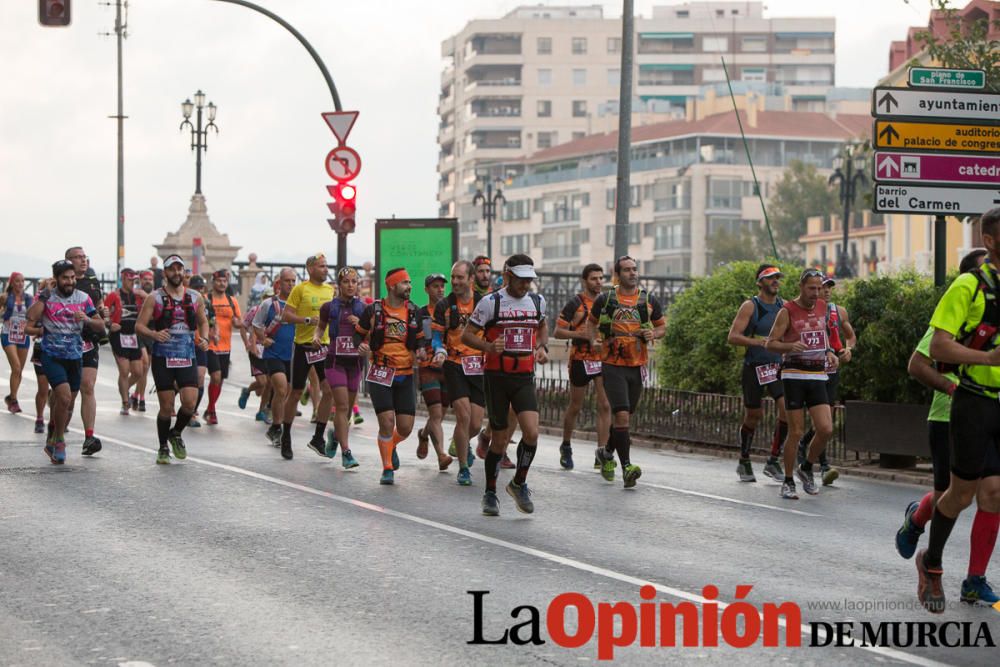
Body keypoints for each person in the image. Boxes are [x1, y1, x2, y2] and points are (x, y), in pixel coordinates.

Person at [897, 248, 998, 607]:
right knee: (954, 495)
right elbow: (924, 359)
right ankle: (928, 551)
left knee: (994, 494)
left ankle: (974, 579)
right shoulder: (965, 292)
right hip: (959, 409)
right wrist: (959, 381)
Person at [461, 254, 548, 515]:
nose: (525, 286)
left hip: (524, 376)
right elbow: (466, 335)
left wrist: (542, 346)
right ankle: (490, 493)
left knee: (531, 432)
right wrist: (488, 346)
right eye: (521, 280)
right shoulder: (491, 303)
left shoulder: (537, 301)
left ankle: (518, 483)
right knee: (499, 440)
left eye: (529, 280)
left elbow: (542, 326)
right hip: (496, 377)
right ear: (508, 275)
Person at [586, 256, 666, 489]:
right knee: (620, 415)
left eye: (634, 269)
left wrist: (654, 334)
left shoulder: (648, 299)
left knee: (625, 417)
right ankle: (627, 467)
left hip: (637, 364)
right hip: (612, 364)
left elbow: (661, 326)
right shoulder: (606, 298)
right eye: (627, 270)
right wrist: (594, 341)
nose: (632, 273)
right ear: (618, 274)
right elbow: (591, 323)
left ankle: (607, 452)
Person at [764, 269, 838, 500]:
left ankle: (806, 467)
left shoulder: (823, 308)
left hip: (817, 374)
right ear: (801, 287)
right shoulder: (787, 311)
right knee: (795, 431)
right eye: (812, 288)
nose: (816, 293)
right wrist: (789, 347)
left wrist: (829, 352)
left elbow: (821, 334)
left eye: (819, 288)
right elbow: (770, 343)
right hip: (794, 375)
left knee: (826, 429)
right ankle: (787, 481)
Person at [26, 260, 105, 464]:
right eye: (65, 278)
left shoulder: (83, 298)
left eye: (72, 278)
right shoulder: (47, 298)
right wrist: (44, 296)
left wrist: (87, 320)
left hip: (74, 357)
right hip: (52, 356)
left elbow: (100, 324)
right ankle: (60, 440)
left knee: (67, 404)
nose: (70, 282)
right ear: (57, 279)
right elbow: (30, 317)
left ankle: (53, 435)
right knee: (63, 397)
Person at [135, 255, 210, 464]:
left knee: (189, 403)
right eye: (172, 269)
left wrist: (204, 338)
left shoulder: (195, 297)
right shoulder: (155, 298)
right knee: (166, 407)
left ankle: (175, 432)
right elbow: (139, 326)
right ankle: (162, 447)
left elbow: (204, 322)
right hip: (163, 358)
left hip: (187, 356)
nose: (176, 273)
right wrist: (154, 335)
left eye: (180, 269)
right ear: (165, 273)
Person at [354, 268, 424, 485]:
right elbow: (358, 335)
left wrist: (421, 350)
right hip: (380, 373)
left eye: (410, 283)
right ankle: (387, 468)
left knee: (405, 428)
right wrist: (362, 346)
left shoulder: (414, 311)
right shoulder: (373, 310)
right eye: (405, 283)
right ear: (392, 286)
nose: (409, 287)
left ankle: (391, 444)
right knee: (386, 421)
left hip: (405, 374)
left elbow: (421, 339)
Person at [726, 265, 789, 483]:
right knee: (754, 415)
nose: (775, 282)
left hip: (777, 368)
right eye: (770, 278)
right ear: (759, 282)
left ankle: (773, 460)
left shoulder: (784, 307)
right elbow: (733, 336)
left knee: (787, 409)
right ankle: (744, 458)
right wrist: (758, 342)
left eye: (777, 278)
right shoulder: (750, 306)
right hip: (754, 367)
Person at [796, 277, 857, 486]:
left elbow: (850, 335)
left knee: (826, 421)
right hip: (812, 368)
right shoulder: (805, 312)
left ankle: (804, 445)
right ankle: (823, 465)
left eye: (829, 287)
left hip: (832, 369)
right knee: (824, 423)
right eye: (822, 287)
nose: (827, 291)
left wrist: (848, 349)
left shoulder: (838, 311)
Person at [554, 263, 611, 470]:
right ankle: (566, 445)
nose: (598, 282)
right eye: (594, 278)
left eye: (601, 278)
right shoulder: (575, 303)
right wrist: (580, 335)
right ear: (584, 281)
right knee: (576, 405)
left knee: (605, 405)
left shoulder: (606, 303)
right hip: (579, 359)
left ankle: (602, 452)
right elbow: (557, 332)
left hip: (601, 358)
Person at [432, 262, 484, 486]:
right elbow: (436, 336)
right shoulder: (444, 305)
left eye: (460, 278)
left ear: (471, 279)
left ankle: (460, 441)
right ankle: (463, 468)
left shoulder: (484, 303)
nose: (454, 282)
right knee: (463, 416)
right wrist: (440, 350)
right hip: (454, 365)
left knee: (474, 424)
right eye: (453, 277)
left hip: (479, 366)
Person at [279, 253, 335, 460]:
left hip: (325, 347)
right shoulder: (300, 289)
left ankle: (318, 437)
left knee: (328, 391)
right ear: (310, 269)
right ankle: (286, 436)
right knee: (295, 393)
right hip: (304, 347)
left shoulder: (331, 290)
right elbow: (285, 316)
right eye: (321, 266)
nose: (325, 269)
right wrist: (308, 320)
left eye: (326, 266)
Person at [314, 267, 365, 469]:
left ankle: (334, 434)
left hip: (355, 363)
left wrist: (360, 325)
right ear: (339, 285)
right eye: (346, 282)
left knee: (347, 412)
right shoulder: (329, 307)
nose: (350, 285)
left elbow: (370, 333)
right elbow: (320, 327)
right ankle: (346, 452)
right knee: (342, 407)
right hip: (335, 362)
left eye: (354, 281)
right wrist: (316, 338)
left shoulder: (363, 308)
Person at [65, 246, 108, 456]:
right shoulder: (62, 283)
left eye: (85, 257)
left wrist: (103, 310)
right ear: (68, 260)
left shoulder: (92, 281)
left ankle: (89, 437)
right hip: (64, 341)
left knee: (88, 386)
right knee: (67, 395)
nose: (83, 261)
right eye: (78, 257)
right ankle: (56, 432)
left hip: (88, 340)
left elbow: (98, 303)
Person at [255, 270, 297, 448]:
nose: (291, 284)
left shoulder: (298, 305)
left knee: (288, 392)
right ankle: (278, 428)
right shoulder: (268, 304)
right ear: (279, 283)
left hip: (293, 355)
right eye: (287, 281)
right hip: (273, 354)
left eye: (293, 281)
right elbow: (256, 324)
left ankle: (275, 425)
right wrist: (263, 340)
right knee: (280, 389)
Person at [416, 273, 453, 471]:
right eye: (435, 286)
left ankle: (423, 435)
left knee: (441, 413)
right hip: (428, 368)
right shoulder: (421, 313)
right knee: (436, 413)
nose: (439, 289)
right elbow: (418, 338)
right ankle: (441, 455)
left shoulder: (449, 311)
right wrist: (419, 349)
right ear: (426, 290)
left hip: (448, 367)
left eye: (442, 286)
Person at [104, 268, 145, 415]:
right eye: (129, 280)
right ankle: (125, 402)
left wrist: (145, 296)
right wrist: (109, 324)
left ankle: (124, 388)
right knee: (124, 370)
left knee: (138, 372)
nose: (132, 283)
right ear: (123, 279)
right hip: (118, 336)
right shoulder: (113, 296)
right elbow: (103, 313)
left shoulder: (138, 296)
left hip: (133, 335)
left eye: (134, 281)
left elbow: (151, 308)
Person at [204, 269, 242, 425]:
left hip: (226, 346)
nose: (222, 283)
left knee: (220, 380)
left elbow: (238, 321)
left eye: (225, 281)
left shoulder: (231, 300)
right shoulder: (206, 299)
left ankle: (209, 408)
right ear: (213, 282)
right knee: (216, 376)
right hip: (210, 344)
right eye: (219, 281)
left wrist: (242, 324)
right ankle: (212, 410)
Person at [1, 272, 33, 413]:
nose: (20, 284)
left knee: (19, 370)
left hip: (23, 336)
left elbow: (34, 315)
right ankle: (13, 400)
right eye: (17, 281)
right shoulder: (5, 297)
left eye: (22, 281)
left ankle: (12, 397)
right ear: (12, 283)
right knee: (16, 367)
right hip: (8, 334)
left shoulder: (28, 298)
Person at [188, 275, 213, 427]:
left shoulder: (207, 303)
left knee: (200, 377)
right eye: (195, 288)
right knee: (183, 382)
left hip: (201, 345)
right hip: (185, 345)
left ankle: (192, 412)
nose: (198, 291)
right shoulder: (184, 301)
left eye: (200, 288)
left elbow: (209, 322)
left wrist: (209, 337)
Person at [134, 270, 156, 412]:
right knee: (144, 363)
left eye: (150, 279)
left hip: (152, 332)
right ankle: (139, 396)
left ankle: (138, 395)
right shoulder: (135, 295)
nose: (148, 281)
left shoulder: (155, 295)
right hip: (139, 332)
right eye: (145, 279)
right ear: (140, 281)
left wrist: (147, 297)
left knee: (145, 369)